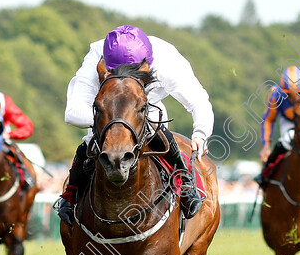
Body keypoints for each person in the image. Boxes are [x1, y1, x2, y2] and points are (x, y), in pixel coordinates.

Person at [56, 25, 214, 224]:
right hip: (107, 110)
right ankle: (70, 197)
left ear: (146, 64)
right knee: (90, 141)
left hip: (147, 108)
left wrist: (200, 132)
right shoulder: (97, 53)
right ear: (106, 64)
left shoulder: (166, 59)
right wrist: (114, 121)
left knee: (159, 130)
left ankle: (185, 185)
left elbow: (197, 99)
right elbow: (72, 113)